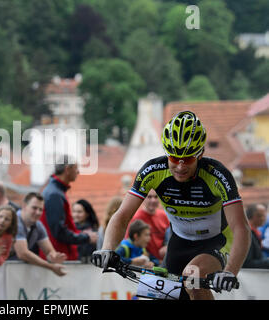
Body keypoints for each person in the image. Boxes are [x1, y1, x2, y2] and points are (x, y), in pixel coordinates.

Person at [92, 111, 251, 300]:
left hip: (216, 241)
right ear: (167, 153)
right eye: (174, 159)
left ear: (200, 155)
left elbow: (241, 227)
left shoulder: (217, 175)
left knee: (193, 277)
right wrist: (107, 248)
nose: (181, 167)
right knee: (156, 295)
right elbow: (122, 215)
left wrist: (230, 271)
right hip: (179, 242)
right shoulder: (153, 171)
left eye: (189, 159)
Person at [40, 155, 97, 261]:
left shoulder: (55, 190)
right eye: (76, 168)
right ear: (67, 169)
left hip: (58, 254)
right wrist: (86, 237)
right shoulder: (55, 194)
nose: (78, 172)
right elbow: (59, 231)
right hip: (58, 255)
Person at [9, 192, 67, 276]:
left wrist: (54, 257)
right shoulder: (16, 222)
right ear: (24, 206)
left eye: (41, 209)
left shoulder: (38, 225)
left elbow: (49, 251)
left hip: (14, 272)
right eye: (34, 208)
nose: (38, 212)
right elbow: (23, 254)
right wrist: (50, 267)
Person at [126, 190, 169, 263]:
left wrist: (167, 246)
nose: (153, 200)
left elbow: (171, 236)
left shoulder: (164, 216)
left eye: (156, 197)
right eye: (149, 197)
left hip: (164, 261)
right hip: (146, 262)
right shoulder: (136, 218)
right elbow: (129, 242)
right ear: (143, 199)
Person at [72, 199, 99, 263]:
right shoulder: (69, 230)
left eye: (79, 212)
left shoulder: (93, 232)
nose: (76, 215)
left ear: (87, 214)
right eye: (74, 211)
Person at [243, 204, 269, 268]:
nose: (263, 218)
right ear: (251, 216)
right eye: (260, 216)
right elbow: (246, 263)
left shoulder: (254, 233)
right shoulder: (247, 235)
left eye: (264, 216)